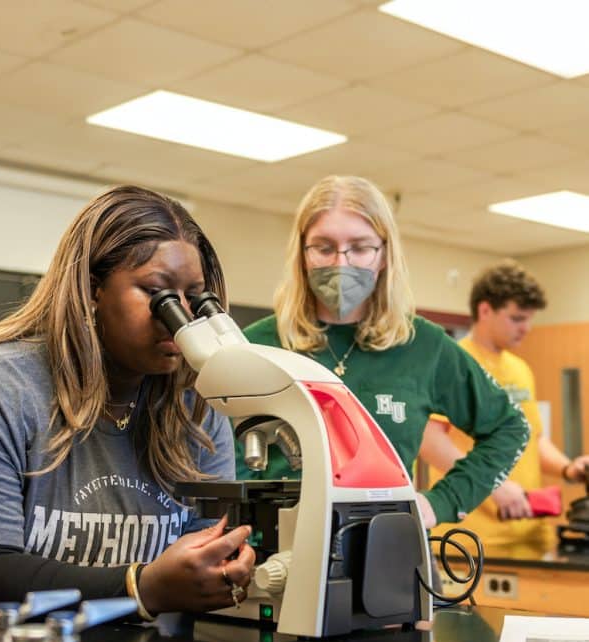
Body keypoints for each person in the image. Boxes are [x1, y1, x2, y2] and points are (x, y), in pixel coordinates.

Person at [0, 185, 255, 632]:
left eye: (194, 298)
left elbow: (203, 549)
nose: (180, 317)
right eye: (157, 293)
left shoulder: (197, 406)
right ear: (92, 290)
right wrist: (141, 587)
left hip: (107, 617)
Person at [236, 175, 529, 531]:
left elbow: (510, 427)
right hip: (276, 551)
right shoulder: (256, 345)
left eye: (360, 247)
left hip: (385, 550)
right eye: (324, 247)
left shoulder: (423, 345)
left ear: (385, 254)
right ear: (301, 254)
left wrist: (442, 501)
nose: (341, 262)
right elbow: (214, 451)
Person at [422, 259, 589, 554]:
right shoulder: (453, 361)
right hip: (472, 539)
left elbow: (533, 440)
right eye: (516, 318)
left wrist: (568, 468)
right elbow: (429, 439)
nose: (526, 328)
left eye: (529, 318)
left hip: (530, 531)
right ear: (485, 310)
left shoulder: (520, 368)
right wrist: (494, 487)